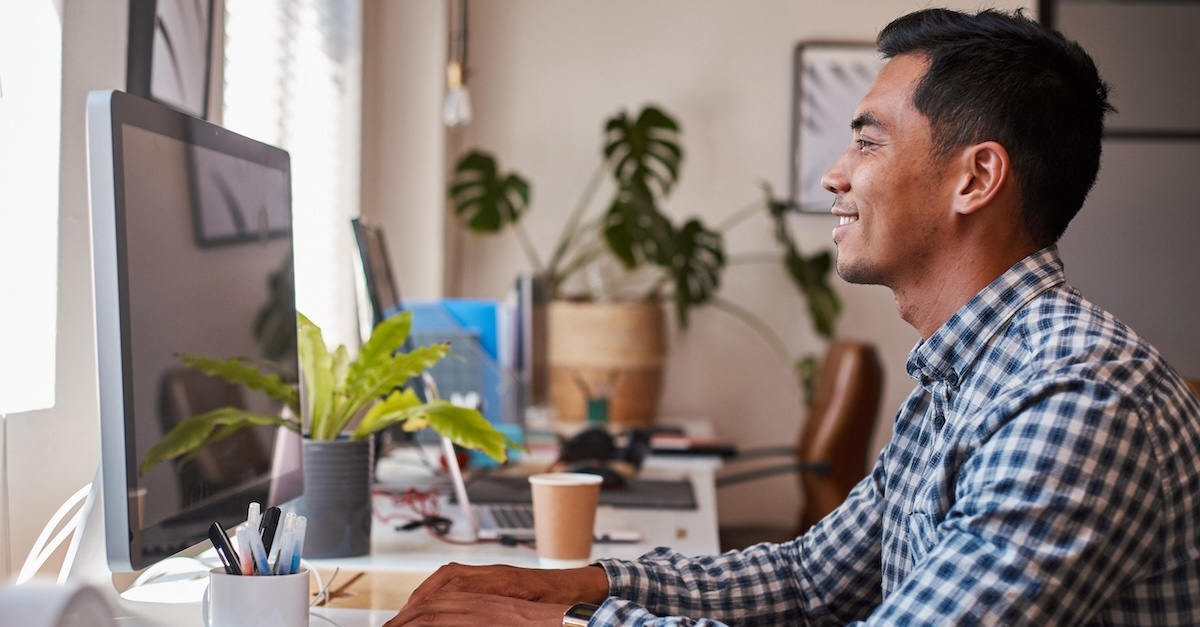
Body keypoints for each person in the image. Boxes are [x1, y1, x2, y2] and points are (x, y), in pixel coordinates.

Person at [384, 8, 1200, 625]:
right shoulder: (964, 373)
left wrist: (558, 625)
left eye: (869, 144)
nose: (834, 177)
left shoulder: (1077, 395)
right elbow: (812, 577)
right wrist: (582, 585)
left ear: (975, 178)